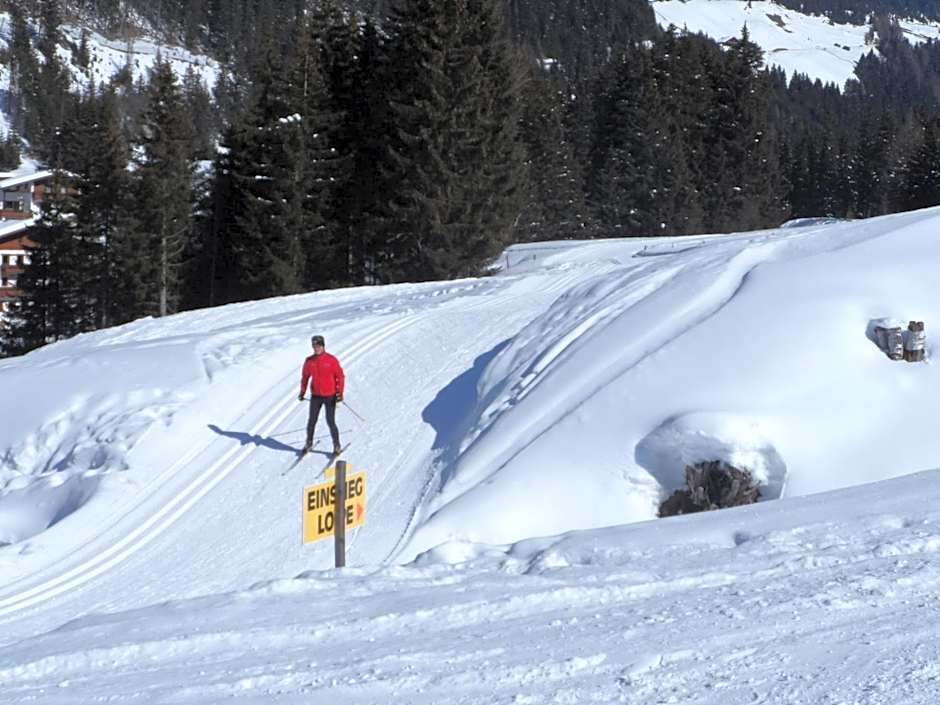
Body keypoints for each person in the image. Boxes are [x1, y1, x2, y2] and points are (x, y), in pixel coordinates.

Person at [299, 335, 345, 455]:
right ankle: (308, 443)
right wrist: (302, 392)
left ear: (323, 346)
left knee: (330, 421)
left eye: (318, 345)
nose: (316, 348)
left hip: (330, 395)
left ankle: (336, 445)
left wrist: (339, 393)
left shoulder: (331, 360)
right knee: (311, 421)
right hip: (316, 396)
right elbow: (305, 377)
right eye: (314, 346)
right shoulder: (309, 361)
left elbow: (340, 376)